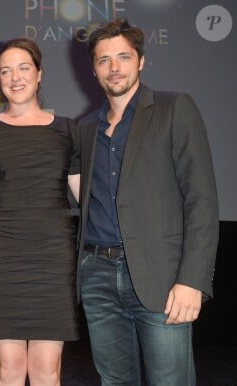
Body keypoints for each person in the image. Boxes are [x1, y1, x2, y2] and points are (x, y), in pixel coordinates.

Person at [74, 18, 219, 385]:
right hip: (98, 277)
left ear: (141, 61)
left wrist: (193, 280)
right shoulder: (86, 128)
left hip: (163, 278)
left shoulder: (175, 108)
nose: (114, 67)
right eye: (104, 60)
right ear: (93, 69)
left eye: (123, 57)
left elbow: (201, 200)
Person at [0, 37, 80, 386]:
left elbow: (87, 198)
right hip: (2, 257)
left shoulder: (67, 129)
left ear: (40, 74)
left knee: (47, 370)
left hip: (54, 259)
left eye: (23, 68)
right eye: (5, 70)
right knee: (10, 368)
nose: (15, 77)